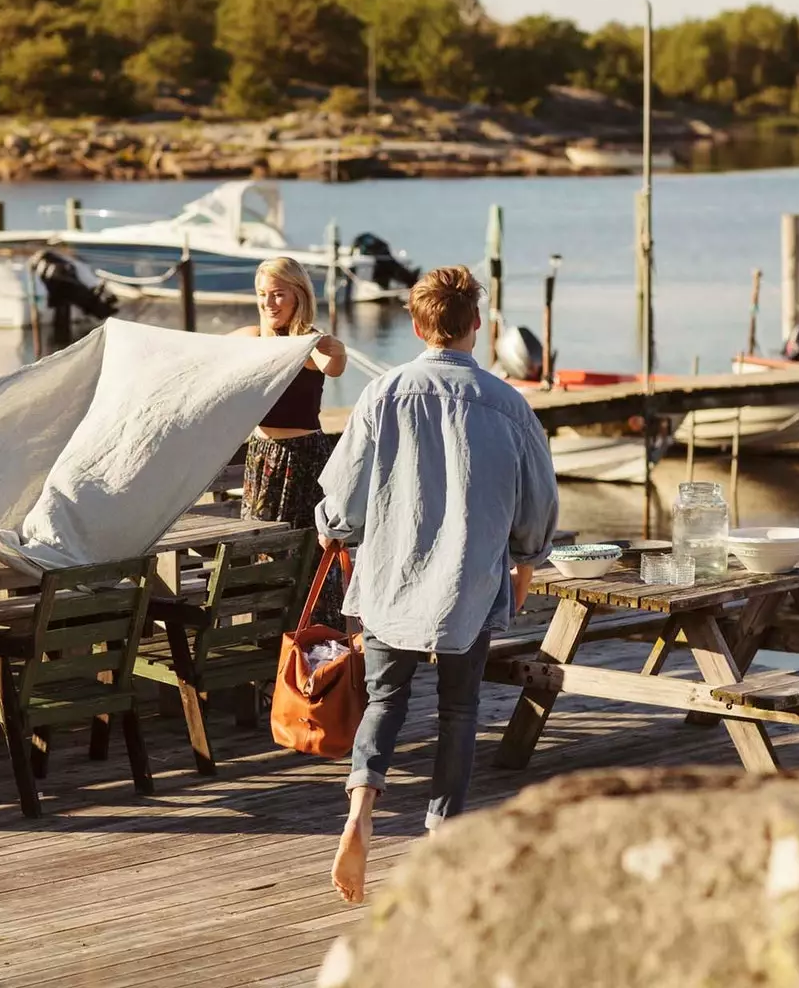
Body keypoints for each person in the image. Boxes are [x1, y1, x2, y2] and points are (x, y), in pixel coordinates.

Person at [315, 265, 559, 904]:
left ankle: (361, 809)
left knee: (384, 700)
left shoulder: (385, 393)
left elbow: (343, 497)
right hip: (470, 581)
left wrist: (335, 528)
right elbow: (537, 500)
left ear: (419, 325)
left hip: (390, 576)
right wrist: (526, 559)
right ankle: (440, 836)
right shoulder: (509, 404)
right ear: (476, 325)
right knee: (458, 710)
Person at [231, 256, 348, 624]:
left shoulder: (309, 341)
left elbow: (334, 365)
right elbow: (201, 354)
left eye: (279, 294)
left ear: (298, 295)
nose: (269, 303)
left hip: (303, 459)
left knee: (307, 553)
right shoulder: (251, 339)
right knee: (261, 548)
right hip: (262, 457)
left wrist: (335, 350)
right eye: (263, 294)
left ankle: (318, 642)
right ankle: (267, 641)